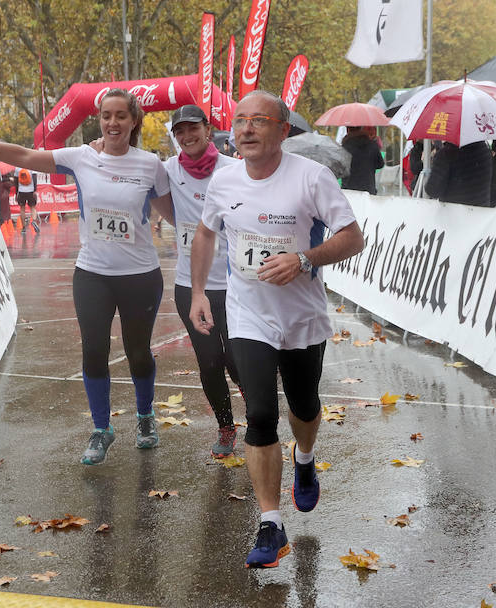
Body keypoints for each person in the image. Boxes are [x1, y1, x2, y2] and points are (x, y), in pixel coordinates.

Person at [0, 88, 174, 465]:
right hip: (93, 274)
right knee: (93, 352)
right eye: (106, 116)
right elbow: (24, 155)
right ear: (99, 121)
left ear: (134, 122)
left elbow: (175, 212)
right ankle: (102, 430)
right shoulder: (82, 157)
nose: (112, 123)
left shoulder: (150, 165)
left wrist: (214, 228)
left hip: (140, 275)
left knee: (138, 353)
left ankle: (146, 419)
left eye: (120, 116)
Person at [188, 90, 364, 568]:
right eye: (239, 120)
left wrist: (304, 259)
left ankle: (304, 461)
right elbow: (206, 232)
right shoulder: (224, 182)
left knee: (304, 406)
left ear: (283, 130)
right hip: (248, 315)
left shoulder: (312, 178)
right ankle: (271, 524)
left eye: (258, 121)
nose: (245, 129)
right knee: (262, 412)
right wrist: (199, 293)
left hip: (302, 316)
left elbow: (352, 236)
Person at [164, 105, 242, 458]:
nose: (186, 136)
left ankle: (258, 413)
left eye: (192, 128)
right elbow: (126, 167)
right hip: (190, 285)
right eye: (179, 131)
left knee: (238, 360)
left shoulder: (235, 169)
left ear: (207, 130)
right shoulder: (166, 170)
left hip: (236, 283)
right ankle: (226, 426)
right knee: (210, 361)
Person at [424, 141, 493, 206]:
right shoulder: (485, 151)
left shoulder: (446, 154)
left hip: (454, 213)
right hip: (481, 212)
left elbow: (433, 191)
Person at [16, 165, 38, 233]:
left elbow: (15, 181)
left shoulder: (18, 168)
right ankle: (34, 221)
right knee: (33, 208)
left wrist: (16, 192)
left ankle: (23, 227)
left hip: (21, 191)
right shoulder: (32, 166)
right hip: (31, 191)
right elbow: (34, 178)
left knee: (22, 209)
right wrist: (34, 190)